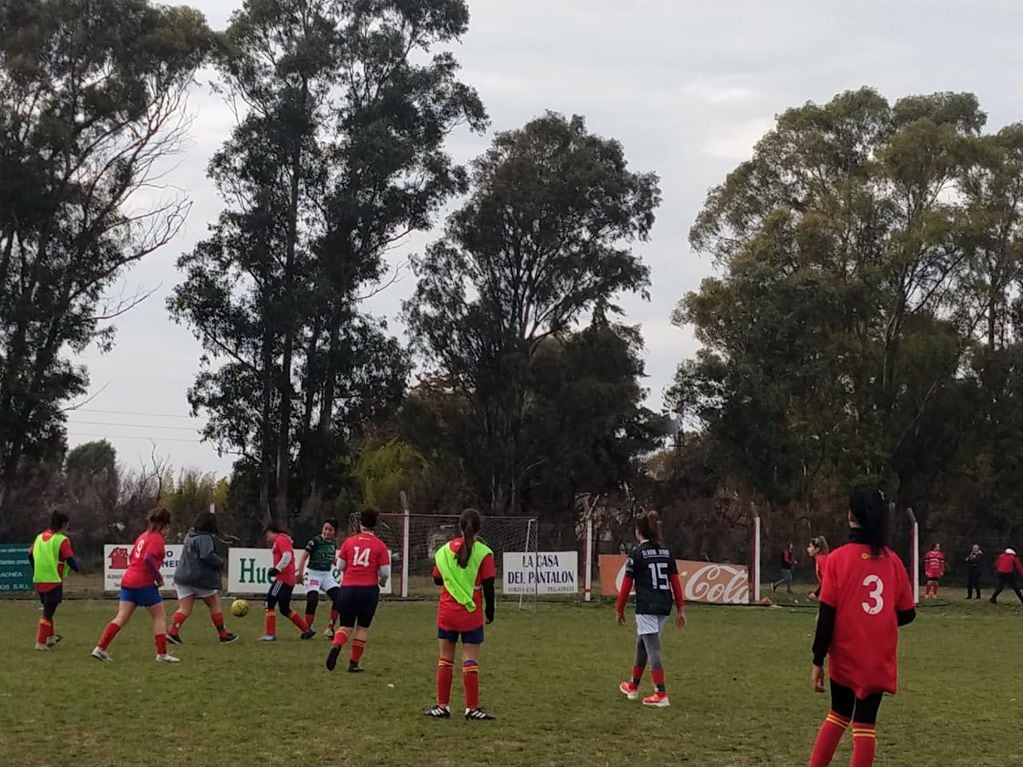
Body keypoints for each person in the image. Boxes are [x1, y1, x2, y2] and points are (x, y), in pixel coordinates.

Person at [807, 489, 916, 767]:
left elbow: (827, 614)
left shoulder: (838, 559)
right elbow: (907, 613)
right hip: (878, 655)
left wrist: (818, 658)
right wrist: (878, 622)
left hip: (846, 652)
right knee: (865, 724)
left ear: (850, 516)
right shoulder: (892, 560)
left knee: (838, 714)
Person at [424, 508, 496, 721]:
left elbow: (437, 579)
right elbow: (489, 585)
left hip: (447, 611)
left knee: (445, 660)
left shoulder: (445, 551)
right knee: (470, 660)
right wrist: (490, 612)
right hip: (470, 612)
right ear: (479, 528)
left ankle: (442, 706)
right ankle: (471, 708)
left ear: (459, 527)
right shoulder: (484, 553)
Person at [616, 511, 687, 708]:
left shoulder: (637, 553)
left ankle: (661, 693)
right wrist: (680, 609)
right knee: (643, 644)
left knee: (652, 647)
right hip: (664, 604)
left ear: (639, 531)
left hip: (647, 605)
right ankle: (632, 686)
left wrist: (619, 609)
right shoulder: (666, 552)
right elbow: (676, 583)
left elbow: (626, 584)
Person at [92, 506, 180, 663]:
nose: (168, 530)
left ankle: (100, 648)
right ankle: (162, 654)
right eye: (168, 526)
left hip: (128, 580)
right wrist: (158, 578)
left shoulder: (143, 536)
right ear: (163, 525)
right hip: (143, 582)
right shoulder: (157, 539)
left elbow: (134, 556)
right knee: (159, 616)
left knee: (121, 617)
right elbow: (148, 558)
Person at [325, 507, 391, 672]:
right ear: (375, 525)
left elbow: (340, 566)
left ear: (360, 523)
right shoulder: (380, 546)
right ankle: (353, 663)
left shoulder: (349, 542)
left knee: (345, 626)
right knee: (362, 628)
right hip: (368, 590)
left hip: (347, 588)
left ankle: (337, 645)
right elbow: (385, 572)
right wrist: (382, 581)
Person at [167, 510, 237, 645]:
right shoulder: (205, 537)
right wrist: (220, 562)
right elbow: (207, 555)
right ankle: (223, 634)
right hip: (201, 578)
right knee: (215, 605)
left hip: (183, 577)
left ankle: (172, 631)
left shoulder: (190, 535)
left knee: (185, 608)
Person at [29, 511, 81, 650]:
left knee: (48, 609)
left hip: (39, 579)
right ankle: (40, 643)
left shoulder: (39, 537)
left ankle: (50, 637)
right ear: (63, 524)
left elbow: (30, 555)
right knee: (47, 613)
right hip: (53, 580)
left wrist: (36, 569)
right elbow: (69, 558)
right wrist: (77, 568)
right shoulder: (61, 540)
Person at [261, 521, 315, 641]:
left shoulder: (280, 539)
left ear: (271, 532)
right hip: (288, 579)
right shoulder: (283, 540)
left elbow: (287, 556)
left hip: (283, 579)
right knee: (285, 609)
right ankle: (307, 629)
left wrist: (277, 569)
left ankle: (270, 634)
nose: (267, 539)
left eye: (267, 536)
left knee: (269, 602)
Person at [296, 518, 341, 637]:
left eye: (330, 530)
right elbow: (303, 557)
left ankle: (330, 629)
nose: (327, 532)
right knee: (313, 599)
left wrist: (344, 567)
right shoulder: (315, 541)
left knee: (339, 597)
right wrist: (300, 574)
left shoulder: (332, 544)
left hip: (326, 575)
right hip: (313, 573)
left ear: (334, 532)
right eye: (325, 529)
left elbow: (332, 559)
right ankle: (307, 629)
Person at [807, 536, 830, 601]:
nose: (808, 549)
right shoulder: (819, 559)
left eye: (810, 547)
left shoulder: (822, 560)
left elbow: (826, 580)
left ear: (817, 549)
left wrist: (816, 594)